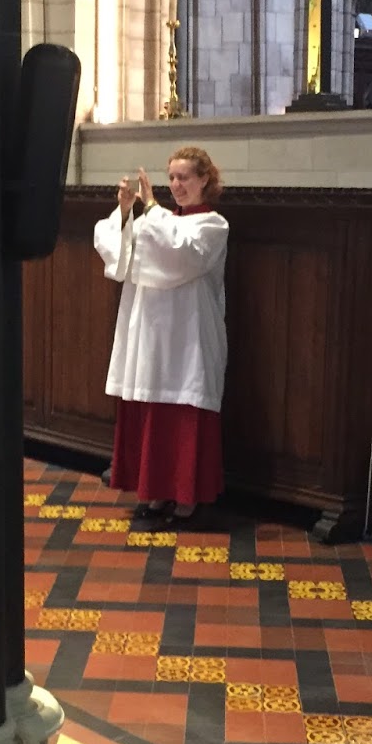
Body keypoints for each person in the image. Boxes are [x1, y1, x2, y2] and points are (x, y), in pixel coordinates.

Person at [93, 146, 228, 523]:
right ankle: (155, 493)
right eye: (171, 178)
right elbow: (117, 252)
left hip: (189, 334)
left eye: (184, 177)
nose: (176, 185)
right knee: (151, 405)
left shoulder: (213, 225)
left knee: (183, 408)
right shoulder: (158, 219)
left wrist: (150, 207)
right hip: (151, 331)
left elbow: (182, 254)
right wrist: (125, 211)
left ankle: (187, 497)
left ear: (204, 179)